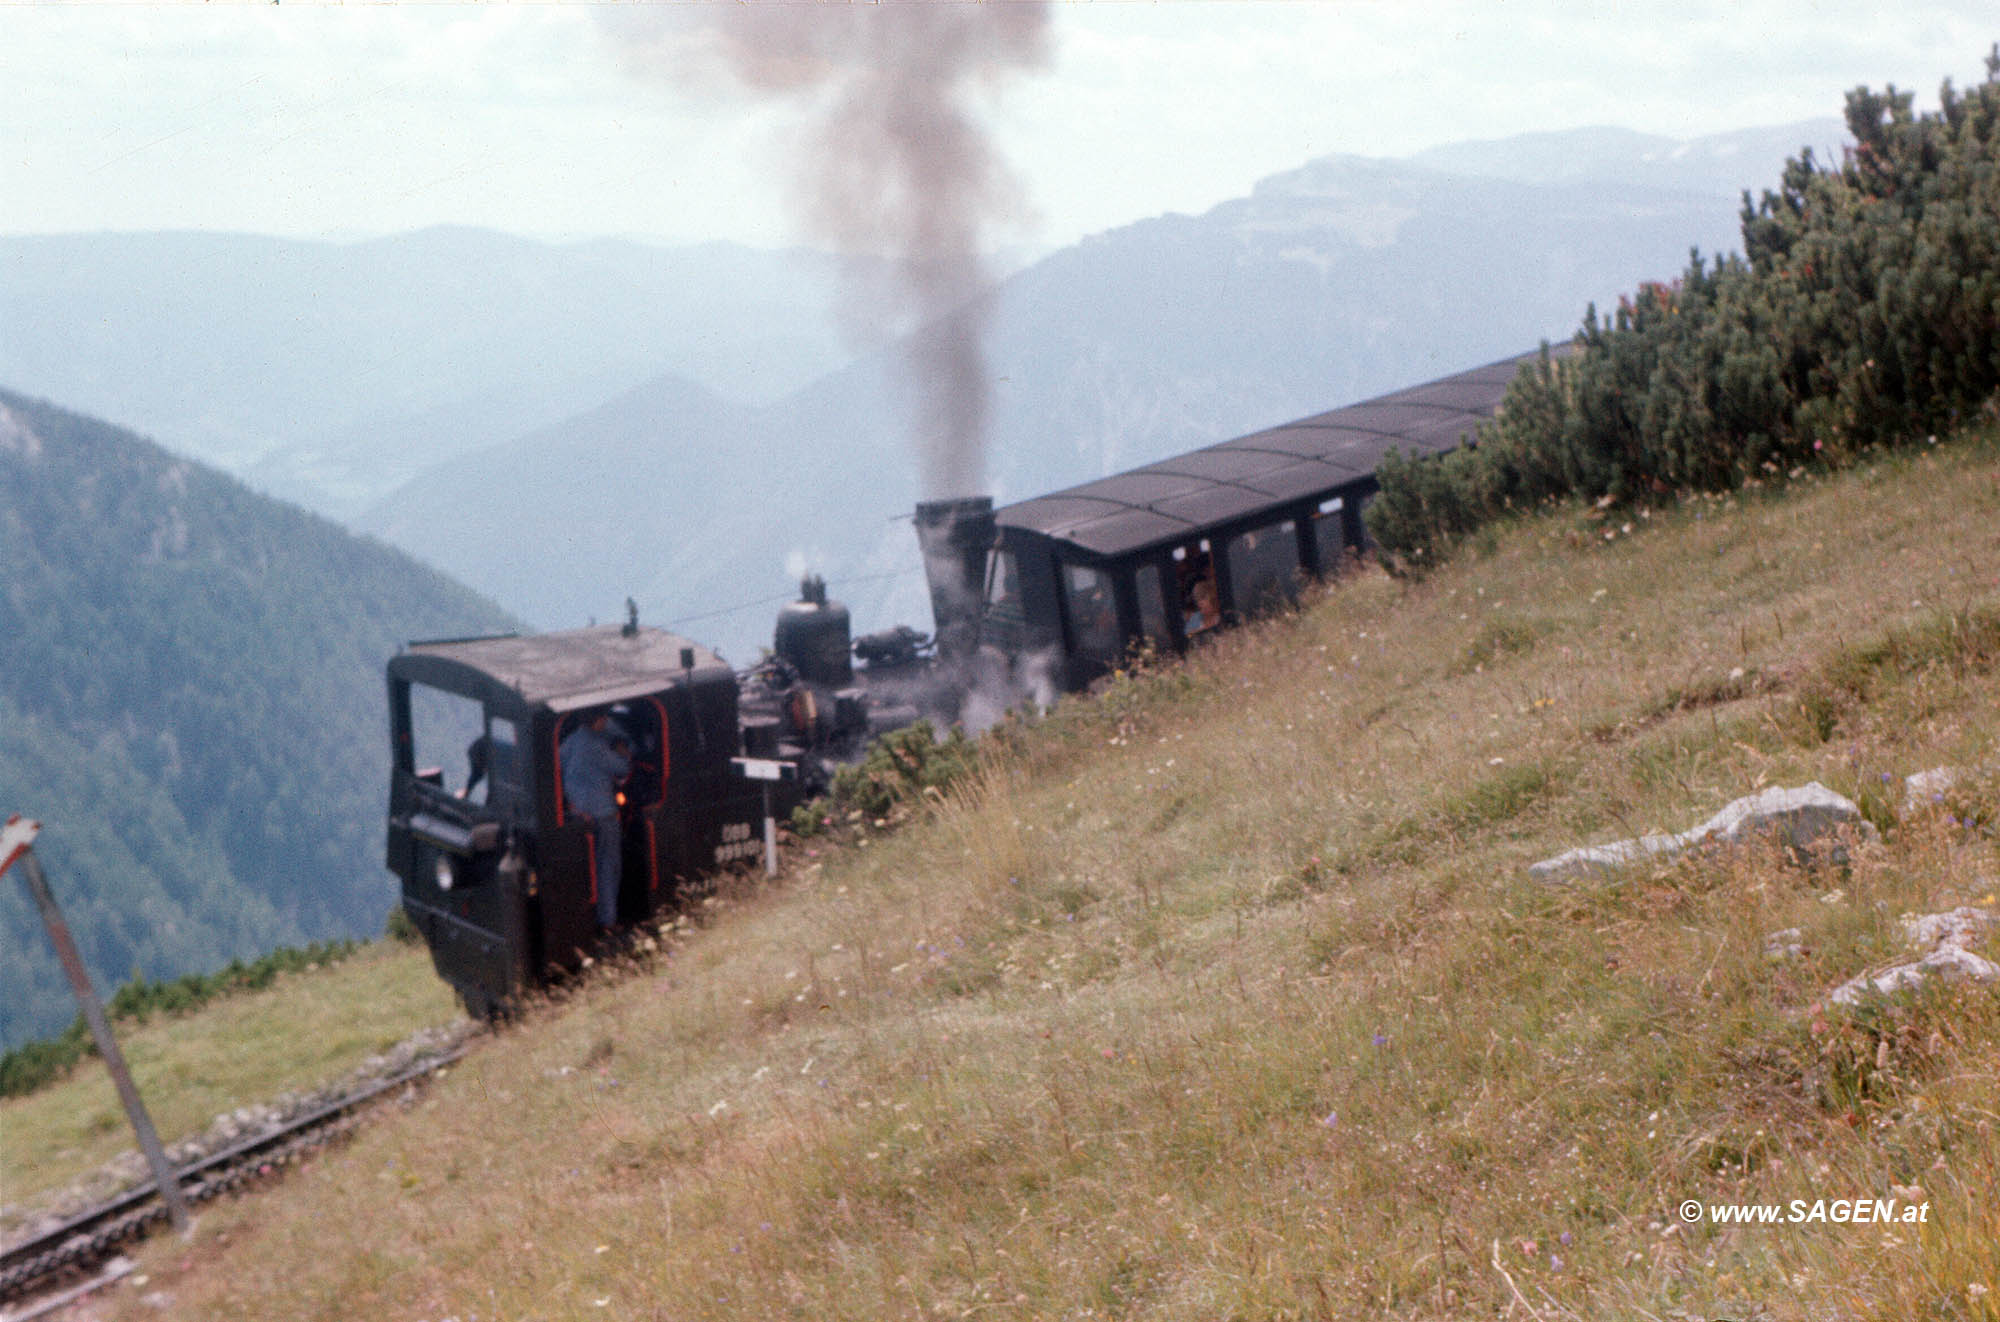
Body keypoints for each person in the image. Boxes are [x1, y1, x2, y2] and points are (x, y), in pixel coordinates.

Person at [559, 709, 630, 930]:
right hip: (603, 815)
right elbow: (622, 768)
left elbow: (559, 764)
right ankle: (608, 920)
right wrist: (625, 752)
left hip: (579, 815)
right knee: (609, 866)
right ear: (599, 720)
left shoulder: (571, 741)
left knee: (589, 869)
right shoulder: (597, 747)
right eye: (605, 718)